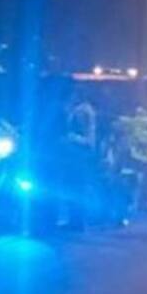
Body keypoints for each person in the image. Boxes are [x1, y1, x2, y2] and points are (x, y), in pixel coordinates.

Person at [61, 90, 97, 230]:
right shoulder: (85, 109)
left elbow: (85, 135)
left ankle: (77, 221)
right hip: (82, 151)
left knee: (75, 186)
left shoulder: (82, 111)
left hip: (79, 152)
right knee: (77, 186)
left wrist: (70, 137)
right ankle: (77, 220)